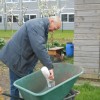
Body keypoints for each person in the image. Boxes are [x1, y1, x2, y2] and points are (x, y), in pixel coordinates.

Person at [0, 16, 61, 100]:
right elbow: (39, 48)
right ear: (51, 21)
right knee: (15, 85)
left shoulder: (41, 26)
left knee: (26, 83)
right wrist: (49, 66)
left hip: (23, 58)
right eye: (55, 28)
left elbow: (38, 46)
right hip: (16, 58)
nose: (53, 31)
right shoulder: (36, 26)